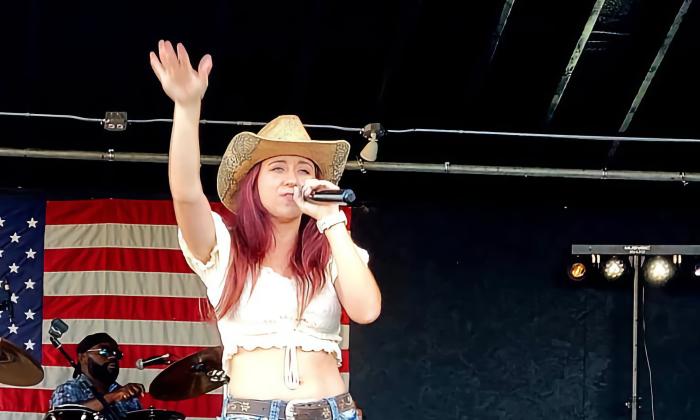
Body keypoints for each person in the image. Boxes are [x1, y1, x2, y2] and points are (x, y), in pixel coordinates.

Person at [149, 40, 381, 420]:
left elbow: (366, 309)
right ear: (253, 184)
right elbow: (186, 192)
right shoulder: (224, 247)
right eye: (277, 168)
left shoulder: (331, 248)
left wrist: (331, 219)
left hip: (331, 411)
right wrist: (187, 108)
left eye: (303, 170)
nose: (292, 179)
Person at [49, 332, 145, 420]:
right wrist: (113, 397)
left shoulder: (127, 395)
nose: (112, 356)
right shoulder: (67, 390)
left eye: (116, 353)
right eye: (104, 351)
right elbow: (65, 417)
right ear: (83, 357)